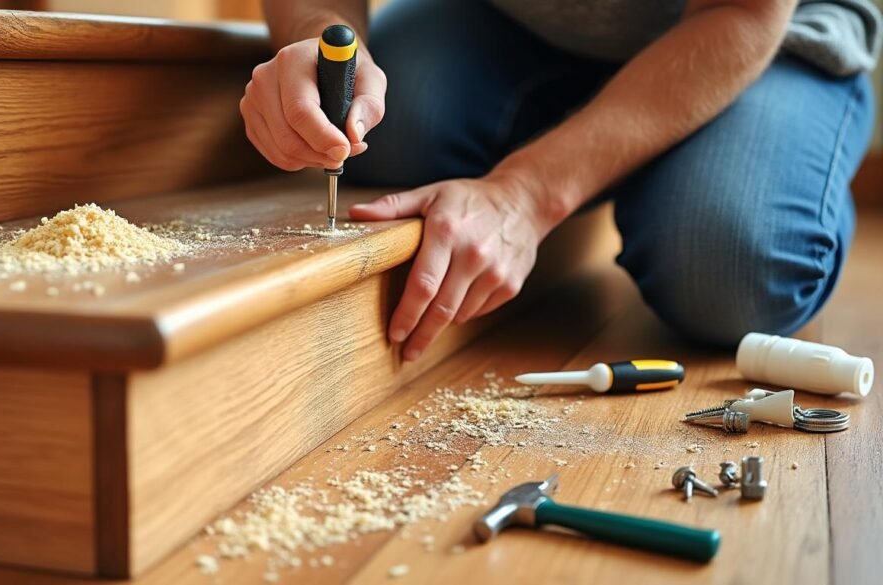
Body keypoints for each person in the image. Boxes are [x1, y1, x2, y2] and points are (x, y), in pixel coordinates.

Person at [240, 0, 881, 361]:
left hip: (753, 30)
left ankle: (690, 160)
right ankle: (624, 142)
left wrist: (528, 192)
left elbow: (747, 11)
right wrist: (316, 37)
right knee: (398, 128)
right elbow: (324, 24)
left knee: (727, 266)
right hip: (522, 24)